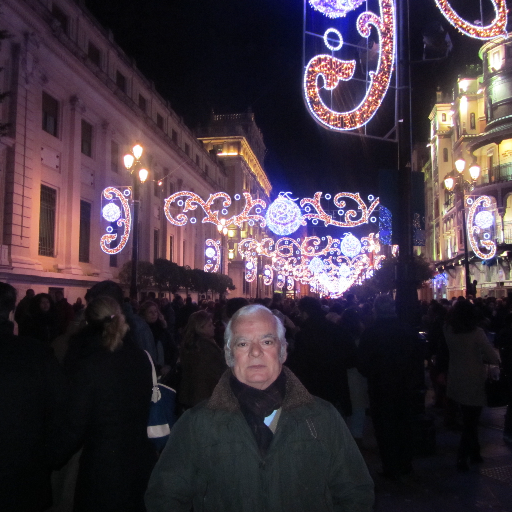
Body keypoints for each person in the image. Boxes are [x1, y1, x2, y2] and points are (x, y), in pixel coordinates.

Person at [146, 304, 374, 512]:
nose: (255, 352)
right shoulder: (198, 423)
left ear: (283, 350)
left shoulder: (321, 418)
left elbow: (355, 493)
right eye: (243, 343)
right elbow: (165, 496)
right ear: (228, 354)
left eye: (267, 341)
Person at [52, 296, 156, 511]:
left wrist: (50, 456)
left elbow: (75, 423)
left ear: (88, 323)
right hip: (139, 460)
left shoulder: (90, 364)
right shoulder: (138, 357)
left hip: (102, 465)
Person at [0, 282, 65, 512]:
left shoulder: (37, 353)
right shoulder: (37, 355)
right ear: (10, 310)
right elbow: (58, 409)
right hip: (25, 473)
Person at [358, 295, 425, 480]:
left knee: (384, 428)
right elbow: (418, 359)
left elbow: (362, 364)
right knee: (404, 425)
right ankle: (405, 462)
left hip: (381, 388)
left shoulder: (371, 333)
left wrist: (374, 373)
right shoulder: (407, 331)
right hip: (406, 387)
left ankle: (390, 464)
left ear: (376, 310)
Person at [444, 300, 501, 471]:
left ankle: (475, 453)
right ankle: (462, 456)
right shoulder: (477, 333)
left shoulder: (448, 330)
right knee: (471, 421)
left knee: (468, 417)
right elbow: (493, 357)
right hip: (474, 379)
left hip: (455, 377)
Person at [178, 310, 226, 408]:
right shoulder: (205, 348)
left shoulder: (191, 344)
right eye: (209, 325)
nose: (213, 327)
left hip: (192, 396)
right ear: (200, 328)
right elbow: (214, 374)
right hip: (205, 397)